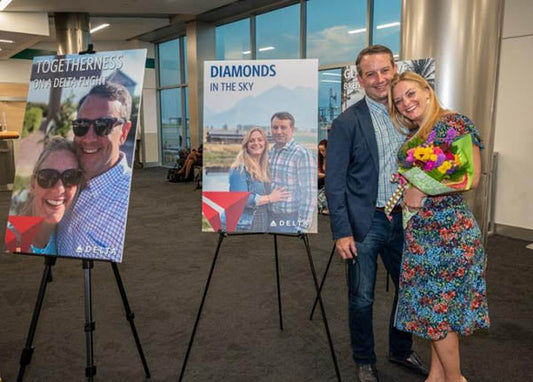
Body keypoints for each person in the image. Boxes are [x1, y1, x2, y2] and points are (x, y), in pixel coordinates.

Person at [326, 45, 428, 382]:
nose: (379, 79)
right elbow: (335, 182)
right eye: (370, 74)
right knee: (362, 297)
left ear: (394, 69)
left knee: (408, 289)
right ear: (360, 79)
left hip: (406, 219)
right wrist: (341, 231)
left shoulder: (411, 114)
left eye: (384, 70)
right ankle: (364, 360)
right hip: (365, 222)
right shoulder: (346, 122)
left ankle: (400, 350)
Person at [389, 71, 490, 382]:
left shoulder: (454, 124)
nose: (405, 103)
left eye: (410, 94)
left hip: (450, 236)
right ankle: (436, 378)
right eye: (398, 101)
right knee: (434, 313)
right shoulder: (413, 138)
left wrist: (423, 189)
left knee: (437, 313)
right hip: (421, 235)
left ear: (427, 91)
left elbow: (470, 178)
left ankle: (456, 379)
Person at [57, 82, 133, 262]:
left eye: (103, 125)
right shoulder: (65, 176)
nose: (88, 138)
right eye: (81, 124)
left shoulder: (124, 203)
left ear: (124, 132)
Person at [19, 137, 83, 254]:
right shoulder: (14, 240)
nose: (59, 189)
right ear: (33, 184)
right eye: (48, 177)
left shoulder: (67, 237)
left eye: (70, 177)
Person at [228, 128, 289, 231]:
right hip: (245, 225)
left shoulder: (265, 167)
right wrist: (270, 198)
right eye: (251, 141)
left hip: (263, 221)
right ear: (246, 145)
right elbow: (241, 199)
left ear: (265, 143)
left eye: (260, 140)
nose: (256, 143)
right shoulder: (239, 169)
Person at [268, 112, 316, 233]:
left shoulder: (302, 154)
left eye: (283, 127)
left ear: (292, 129)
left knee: (289, 251)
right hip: (269, 216)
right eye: (275, 127)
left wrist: (302, 226)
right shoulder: (270, 152)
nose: (278, 131)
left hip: (290, 219)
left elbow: (309, 193)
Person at [317, 139, 328, 215]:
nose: (322, 153)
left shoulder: (332, 159)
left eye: (323, 150)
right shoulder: (320, 160)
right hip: (323, 180)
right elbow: (318, 173)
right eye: (320, 151)